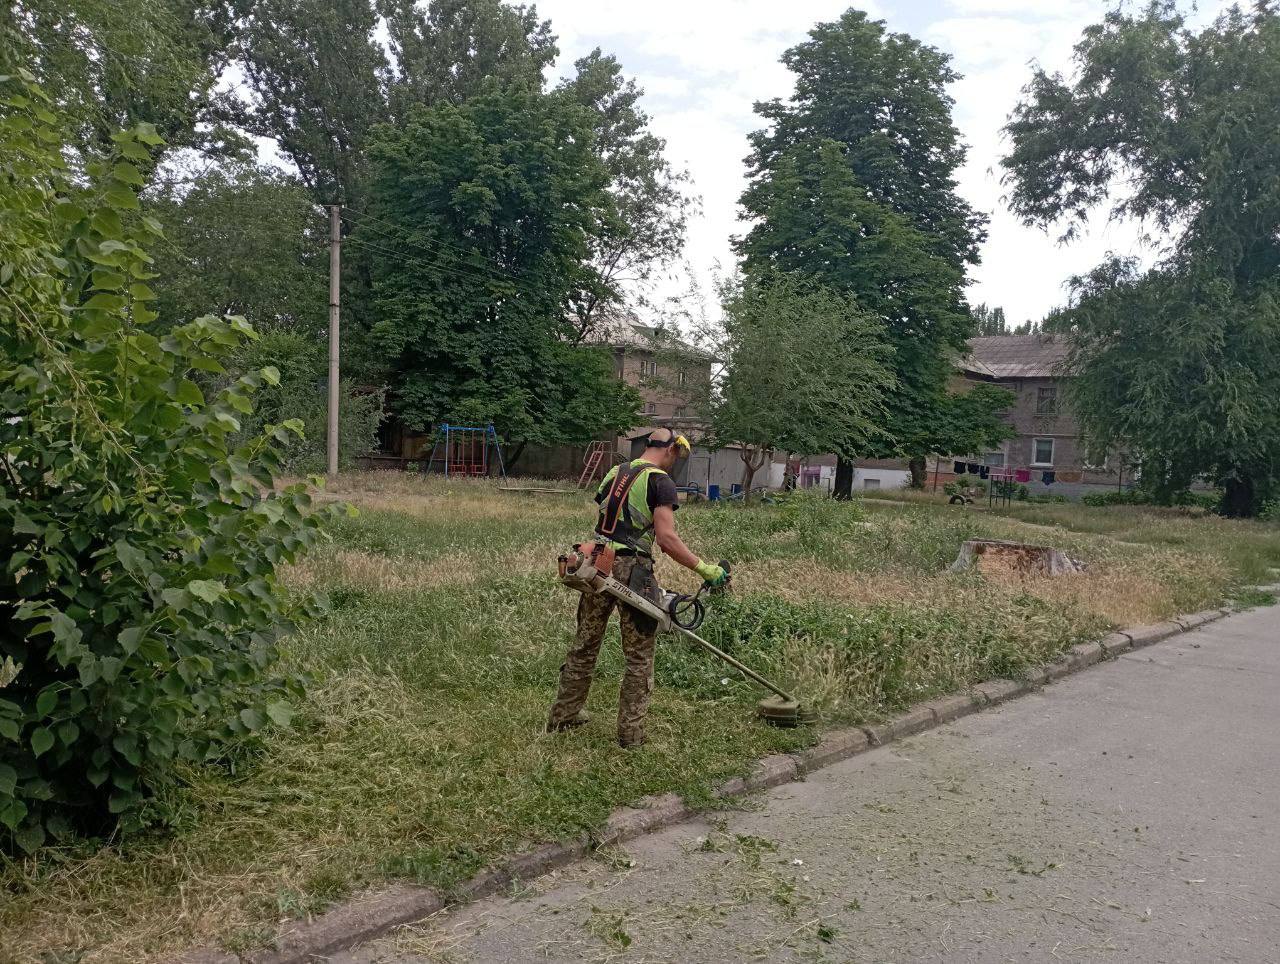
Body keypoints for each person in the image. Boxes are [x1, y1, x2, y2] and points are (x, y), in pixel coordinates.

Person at [547, 429, 727, 748]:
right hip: (633, 570)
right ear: (671, 450)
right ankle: (631, 735)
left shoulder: (616, 472)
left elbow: (605, 514)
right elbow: (667, 539)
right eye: (677, 457)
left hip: (596, 562)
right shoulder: (661, 481)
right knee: (639, 655)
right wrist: (705, 568)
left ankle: (563, 716)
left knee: (585, 643)